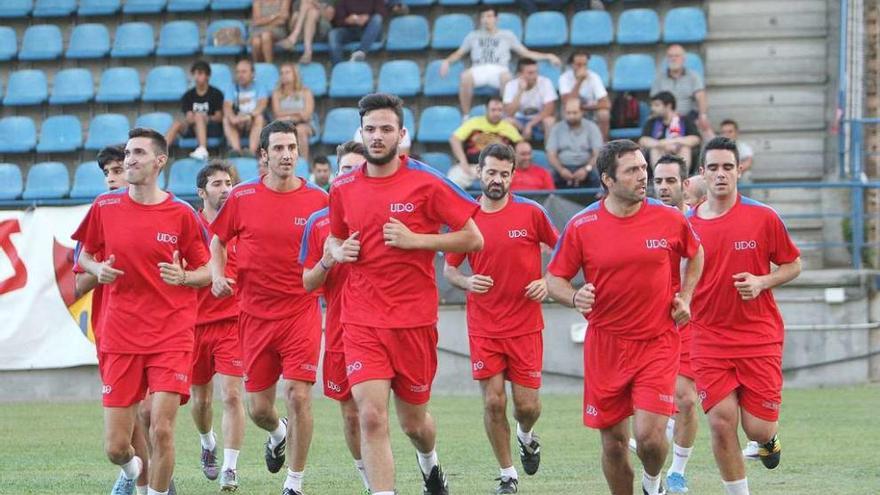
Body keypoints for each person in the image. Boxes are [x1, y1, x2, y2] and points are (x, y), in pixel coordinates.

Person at [327, 93, 484, 495]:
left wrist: (417, 240)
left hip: (414, 321)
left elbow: (473, 238)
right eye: (370, 129)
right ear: (360, 133)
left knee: (415, 424)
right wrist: (337, 251)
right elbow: (334, 237)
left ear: (402, 134)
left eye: (385, 129)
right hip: (361, 319)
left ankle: (429, 462)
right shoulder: (343, 186)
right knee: (372, 417)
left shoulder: (427, 182)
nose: (377, 137)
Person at [545, 139, 704, 495]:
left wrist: (686, 297)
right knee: (614, 445)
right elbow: (553, 279)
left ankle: (653, 484)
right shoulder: (582, 225)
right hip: (605, 347)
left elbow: (696, 254)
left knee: (648, 439)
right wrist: (574, 296)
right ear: (607, 180)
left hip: (657, 342)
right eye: (631, 171)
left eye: (643, 169)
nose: (642, 177)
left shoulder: (669, 218)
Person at [73, 128, 211, 495]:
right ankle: (134, 470)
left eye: (138, 153)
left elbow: (208, 271)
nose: (130, 159)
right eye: (128, 153)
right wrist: (96, 268)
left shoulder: (182, 214)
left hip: (171, 334)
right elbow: (84, 255)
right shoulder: (105, 206)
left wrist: (183, 277)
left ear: (159, 161)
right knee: (116, 447)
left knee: (161, 427)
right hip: (120, 335)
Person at [210, 120, 329, 495]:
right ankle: (278, 433)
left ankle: (294, 484)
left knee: (298, 395)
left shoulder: (319, 200)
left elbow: (334, 246)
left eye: (292, 147)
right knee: (259, 409)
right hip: (254, 316)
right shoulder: (242, 197)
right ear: (263, 155)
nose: (286, 155)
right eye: (278, 148)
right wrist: (216, 275)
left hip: (301, 312)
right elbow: (218, 240)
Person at [687, 137, 801, 495]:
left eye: (728, 167)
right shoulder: (684, 225)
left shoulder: (763, 217)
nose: (721, 174)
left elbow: (793, 264)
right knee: (721, 424)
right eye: (714, 168)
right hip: (706, 339)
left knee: (758, 430)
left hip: (758, 337)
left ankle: (769, 441)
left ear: (739, 171)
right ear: (702, 173)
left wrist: (763, 281)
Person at [443, 143, 559, 494]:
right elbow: (449, 269)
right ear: (479, 172)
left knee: (527, 406)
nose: (496, 179)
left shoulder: (532, 213)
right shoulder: (466, 218)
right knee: (494, 401)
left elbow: (565, 251)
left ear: (512, 176)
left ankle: (526, 436)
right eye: (491, 172)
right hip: (484, 326)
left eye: (504, 174)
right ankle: (508, 474)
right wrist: (466, 281)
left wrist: (546, 281)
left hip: (525, 326)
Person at [73, 146, 154, 495]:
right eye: (107, 172)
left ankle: (153, 478)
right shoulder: (101, 216)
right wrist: (99, 269)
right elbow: (78, 282)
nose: (111, 178)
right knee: (133, 412)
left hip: (158, 330)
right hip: (113, 330)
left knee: (152, 413)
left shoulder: (159, 212)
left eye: (118, 170)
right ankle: (139, 472)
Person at [299, 140, 371, 494]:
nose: (351, 175)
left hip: (387, 326)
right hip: (342, 330)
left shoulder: (384, 212)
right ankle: (373, 484)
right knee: (352, 414)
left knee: (409, 420)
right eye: (346, 169)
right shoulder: (318, 223)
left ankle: (429, 464)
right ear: (334, 176)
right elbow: (307, 281)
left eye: (358, 168)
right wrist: (330, 259)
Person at [191, 161, 246, 492]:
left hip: (232, 322)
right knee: (201, 402)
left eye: (229, 183)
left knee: (232, 396)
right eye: (217, 184)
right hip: (195, 324)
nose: (225, 189)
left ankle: (230, 468)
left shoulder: (242, 225)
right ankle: (207, 441)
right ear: (202, 192)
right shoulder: (189, 226)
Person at [651, 154, 700, 493]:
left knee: (685, 399)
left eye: (671, 181)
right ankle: (654, 469)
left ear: (685, 185)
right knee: (666, 399)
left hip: (697, 323)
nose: (664, 188)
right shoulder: (648, 222)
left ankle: (677, 471)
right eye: (659, 181)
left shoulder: (702, 222)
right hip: (654, 323)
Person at [439, 6, 561, 116]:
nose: (486, 20)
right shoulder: (473, 36)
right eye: (483, 17)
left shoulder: (507, 35)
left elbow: (525, 53)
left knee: (506, 78)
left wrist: (548, 56)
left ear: (496, 19)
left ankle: (505, 115)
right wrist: (447, 61)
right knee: (465, 77)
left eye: (489, 16)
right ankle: (466, 115)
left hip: (499, 69)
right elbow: (459, 53)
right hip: (479, 68)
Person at [449, 97, 523, 189]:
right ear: (486, 110)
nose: (496, 113)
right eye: (493, 110)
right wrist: (463, 161)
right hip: (473, 167)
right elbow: (454, 139)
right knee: (452, 181)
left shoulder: (508, 127)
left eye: (499, 110)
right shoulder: (474, 122)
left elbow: (522, 146)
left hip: (499, 169)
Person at [166, 60, 225, 161]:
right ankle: (160, 151)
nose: (197, 77)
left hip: (212, 128)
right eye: (195, 74)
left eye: (200, 73)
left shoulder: (216, 93)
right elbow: (189, 117)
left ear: (208, 76)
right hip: (193, 127)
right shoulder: (188, 95)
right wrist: (197, 118)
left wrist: (206, 118)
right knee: (177, 123)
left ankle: (203, 149)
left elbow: (219, 117)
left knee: (199, 116)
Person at [546, 98, 603, 189]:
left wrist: (586, 169)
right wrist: (561, 170)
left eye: (575, 113)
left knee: (599, 176)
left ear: (582, 112)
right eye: (568, 113)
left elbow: (598, 153)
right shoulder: (557, 128)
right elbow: (551, 154)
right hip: (562, 167)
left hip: (587, 167)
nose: (571, 116)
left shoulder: (592, 127)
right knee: (549, 176)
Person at [651, 45, 710, 133]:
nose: (673, 59)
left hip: (688, 117)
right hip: (665, 117)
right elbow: (655, 101)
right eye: (670, 56)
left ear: (683, 59)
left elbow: (701, 97)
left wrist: (703, 115)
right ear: (667, 59)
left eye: (677, 56)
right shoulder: (659, 78)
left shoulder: (693, 77)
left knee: (708, 132)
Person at [639, 92, 701, 173]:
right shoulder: (652, 122)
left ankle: (682, 178)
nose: (653, 108)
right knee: (655, 149)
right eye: (652, 105)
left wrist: (673, 142)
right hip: (661, 152)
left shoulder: (685, 120)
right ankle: (659, 178)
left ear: (668, 106)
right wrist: (661, 144)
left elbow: (695, 139)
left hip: (679, 151)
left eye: (657, 105)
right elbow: (643, 140)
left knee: (685, 148)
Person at [559, 51, 611, 140]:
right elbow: (567, 103)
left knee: (604, 114)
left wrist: (583, 107)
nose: (582, 68)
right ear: (572, 65)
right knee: (570, 113)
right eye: (579, 64)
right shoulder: (564, 78)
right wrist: (580, 81)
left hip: (590, 110)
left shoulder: (594, 77)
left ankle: (602, 146)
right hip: (572, 111)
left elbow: (606, 104)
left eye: (585, 64)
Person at [502, 58, 557, 141]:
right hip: (519, 121)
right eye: (530, 73)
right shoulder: (511, 85)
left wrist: (530, 125)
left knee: (550, 121)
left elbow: (549, 109)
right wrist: (520, 91)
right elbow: (509, 113)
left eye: (536, 72)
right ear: (520, 74)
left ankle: (549, 152)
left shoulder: (545, 82)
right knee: (507, 122)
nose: (535, 76)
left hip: (538, 121)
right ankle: (510, 153)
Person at [223, 59, 268, 156]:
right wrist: (233, 118)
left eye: (244, 72)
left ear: (252, 73)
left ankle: (251, 152)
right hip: (238, 121)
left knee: (259, 118)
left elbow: (262, 104)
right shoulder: (231, 87)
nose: (240, 75)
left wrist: (249, 115)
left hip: (252, 119)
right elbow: (227, 106)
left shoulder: (259, 86)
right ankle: (236, 151)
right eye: (238, 72)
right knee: (226, 119)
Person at [272, 63, 315, 161]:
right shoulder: (277, 93)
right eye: (281, 73)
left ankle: (304, 162)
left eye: (287, 72)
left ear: (295, 74)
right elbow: (277, 114)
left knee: (300, 130)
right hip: (283, 125)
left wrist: (287, 115)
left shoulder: (305, 92)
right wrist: (298, 113)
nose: (284, 75)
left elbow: (306, 116)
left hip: (305, 124)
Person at [328, 0, 385, 64]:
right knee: (333, 33)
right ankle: (338, 67)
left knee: (377, 18)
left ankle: (360, 52)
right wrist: (347, 21)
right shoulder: (344, 1)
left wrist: (367, 18)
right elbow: (338, 21)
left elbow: (382, 13)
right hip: (352, 31)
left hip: (371, 31)